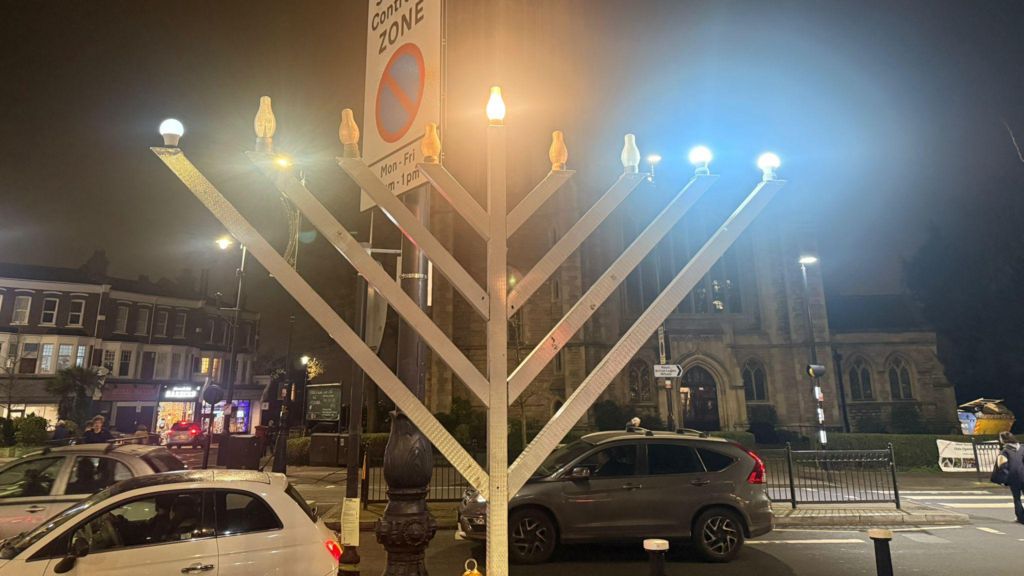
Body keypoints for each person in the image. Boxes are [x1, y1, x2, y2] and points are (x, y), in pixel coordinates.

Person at [996, 431, 1024, 524]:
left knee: (1017, 498)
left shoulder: (1004, 451)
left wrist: (1003, 478)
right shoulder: (1022, 448)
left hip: (1013, 477)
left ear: (1003, 440)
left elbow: (1002, 465)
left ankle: (1021, 518)